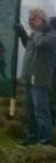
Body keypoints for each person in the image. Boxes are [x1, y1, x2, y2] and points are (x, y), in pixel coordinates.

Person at [16, 8, 56, 146]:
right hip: (29, 77)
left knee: (41, 112)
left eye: (32, 19)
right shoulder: (36, 34)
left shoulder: (51, 35)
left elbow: (41, 44)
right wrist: (22, 34)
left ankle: (45, 142)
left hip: (40, 79)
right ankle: (33, 138)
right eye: (29, 19)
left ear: (41, 19)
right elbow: (30, 46)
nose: (29, 21)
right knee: (31, 111)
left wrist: (38, 29)